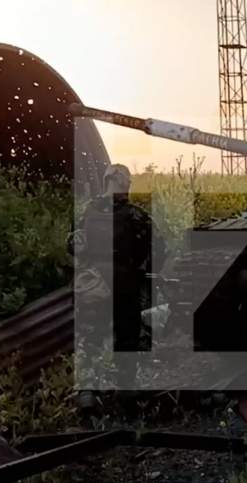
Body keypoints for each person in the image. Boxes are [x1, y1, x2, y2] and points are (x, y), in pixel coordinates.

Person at [71, 164, 165, 406]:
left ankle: (87, 392)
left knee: (90, 337)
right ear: (122, 182)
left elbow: (74, 245)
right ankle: (125, 389)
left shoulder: (87, 212)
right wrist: (143, 271)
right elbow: (158, 248)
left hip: (93, 284)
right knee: (127, 337)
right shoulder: (136, 215)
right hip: (125, 283)